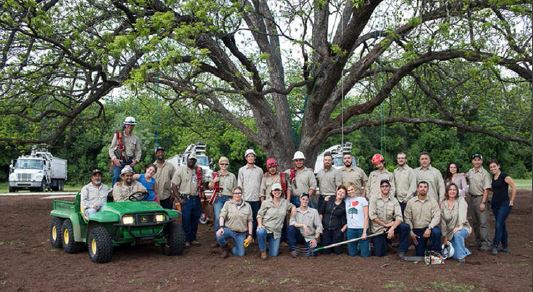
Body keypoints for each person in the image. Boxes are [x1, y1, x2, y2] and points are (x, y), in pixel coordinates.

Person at [369, 179, 410, 258]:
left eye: (386, 186)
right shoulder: (374, 198)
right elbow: (372, 216)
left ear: (390, 187)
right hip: (379, 229)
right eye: (383, 186)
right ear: (380, 188)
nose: (385, 188)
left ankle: (402, 250)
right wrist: (385, 225)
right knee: (379, 254)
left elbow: (399, 217)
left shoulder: (394, 200)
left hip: (390, 227)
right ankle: (387, 244)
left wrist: (392, 228)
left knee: (405, 227)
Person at [171, 153, 203, 247]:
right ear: (187, 159)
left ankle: (193, 238)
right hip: (186, 198)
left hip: (196, 198)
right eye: (190, 159)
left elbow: (202, 183)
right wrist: (179, 198)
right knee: (186, 219)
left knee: (195, 218)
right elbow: (174, 185)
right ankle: (185, 239)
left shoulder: (198, 170)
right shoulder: (181, 170)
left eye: (194, 160)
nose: (192, 161)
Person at [256, 183, 295, 259]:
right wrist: (260, 225)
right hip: (266, 228)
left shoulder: (285, 202)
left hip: (276, 232)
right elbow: (259, 215)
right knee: (260, 231)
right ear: (271, 192)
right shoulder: (266, 203)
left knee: (273, 254)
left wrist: (293, 212)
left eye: (278, 190)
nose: (277, 192)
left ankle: (268, 246)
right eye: (275, 190)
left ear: (281, 191)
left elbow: (293, 206)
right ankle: (263, 251)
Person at [404, 181, 442, 256]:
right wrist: (411, 233)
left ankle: (436, 253)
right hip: (417, 230)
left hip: (429, 228)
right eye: (421, 187)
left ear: (428, 189)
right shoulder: (411, 202)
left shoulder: (433, 201)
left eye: (425, 187)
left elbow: (437, 216)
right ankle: (427, 248)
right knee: (420, 254)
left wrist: (429, 228)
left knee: (437, 232)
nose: (423, 189)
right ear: (417, 189)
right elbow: (407, 218)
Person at [488, 159, 516, 255]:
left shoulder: (504, 176)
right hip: (495, 204)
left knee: (498, 224)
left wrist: (512, 200)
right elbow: (495, 190)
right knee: (502, 225)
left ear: (498, 166)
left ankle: (495, 245)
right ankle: (505, 246)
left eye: (494, 166)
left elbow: (514, 186)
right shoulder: (492, 177)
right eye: (491, 167)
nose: (492, 168)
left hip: (504, 204)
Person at [216, 187, 253, 258]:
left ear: (241, 194)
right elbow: (222, 216)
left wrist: (250, 235)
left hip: (240, 233)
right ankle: (225, 248)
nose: (237, 195)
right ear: (232, 194)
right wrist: (221, 227)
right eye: (235, 193)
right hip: (229, 230)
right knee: (219, 234)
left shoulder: (247, 206)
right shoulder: (227, 204)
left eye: (239, 193)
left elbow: (250, 221)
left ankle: (231, 248)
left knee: (240, 254)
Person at [466, 153, 492, 251]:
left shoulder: (485, 173)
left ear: (481, 161)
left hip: (481, 198)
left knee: (483, 222)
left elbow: (486, 189)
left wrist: (483, 202)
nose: (476, 161)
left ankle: (486, 243)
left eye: (478, 160)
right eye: (474, 160)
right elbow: (464, 177)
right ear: (472, 161)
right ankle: (479, 241)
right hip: (472, 198)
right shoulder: (470, 171)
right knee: (475, 222)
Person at [440, 183, 471, 263]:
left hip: (463, 227)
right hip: (450, 232)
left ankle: (461, 258)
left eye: (454, 190)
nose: (452, 191)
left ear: (457, 191)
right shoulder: (443, 204)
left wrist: (460, 226)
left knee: (458, 234)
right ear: (447, 192)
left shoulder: (461, 200)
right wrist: (445, 237)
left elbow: (462, 214)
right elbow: (443, 222)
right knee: (453, 255)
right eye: (450, 190)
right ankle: (464, 251)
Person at [209, 156, 237, 243]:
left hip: (229, 198)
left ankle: (227, 238)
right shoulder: (215, 174)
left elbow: (235, 189)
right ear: (219, 164)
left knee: (229, 218)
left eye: (226, 164)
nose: (224, 165)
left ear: (228, 165)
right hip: (219, 198)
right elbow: (209, 187)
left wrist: (234, 200)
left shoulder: (232, 176)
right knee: (218, 217)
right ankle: (218, 239)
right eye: (222, 164)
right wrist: (214, 181)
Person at [109, 116, 142, 186]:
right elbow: (111, 149)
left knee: (131, 179)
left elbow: (138, 151)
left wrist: (136, 161)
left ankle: (129, 195)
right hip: (119, 161)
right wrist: (114, 159)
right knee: (116, 177)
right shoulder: (118, 136)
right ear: (125, 125)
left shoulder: (136, 138)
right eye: (128, 124)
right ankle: (113, 195)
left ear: (134, 126)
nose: (130, 126)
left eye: (132, 125)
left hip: (130, 162)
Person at [238, 149, 263, 238]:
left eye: (252, 156)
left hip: (256, 198)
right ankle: (245, 235)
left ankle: (254, 236)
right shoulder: (242, 170)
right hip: (245, 199)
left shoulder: (259, 170)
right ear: (246, 158)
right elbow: (240, 184)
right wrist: (240, 197)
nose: (250, 157)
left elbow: (261, 184)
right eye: (248, 156)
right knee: (245, 218)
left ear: (255, 157)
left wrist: (261, 196)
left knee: (256, 218)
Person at [319, 186, 347, 255]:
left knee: (337, 251)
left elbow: (346, 221)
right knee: (326, 252)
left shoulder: (344, 205)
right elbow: (321, 213)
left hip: (336, 230)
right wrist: (320, 225)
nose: (340, 193)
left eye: (343, 193)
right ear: (336, 191)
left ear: (345, 195)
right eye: (340, 191)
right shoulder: (328, 200)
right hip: (326, 229)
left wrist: (341, 231)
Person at [345, 182, 370, 257]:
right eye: (348, 190)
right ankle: (357, 248)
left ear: (355, 189)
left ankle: (365, 247)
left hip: (361, 228)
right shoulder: (346, 200)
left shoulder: (362, 200)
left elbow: (366, 216)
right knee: (352, 254)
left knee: (365, 255)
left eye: (351, 189)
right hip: (351, 229)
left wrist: (364, 232)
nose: (350, 191)